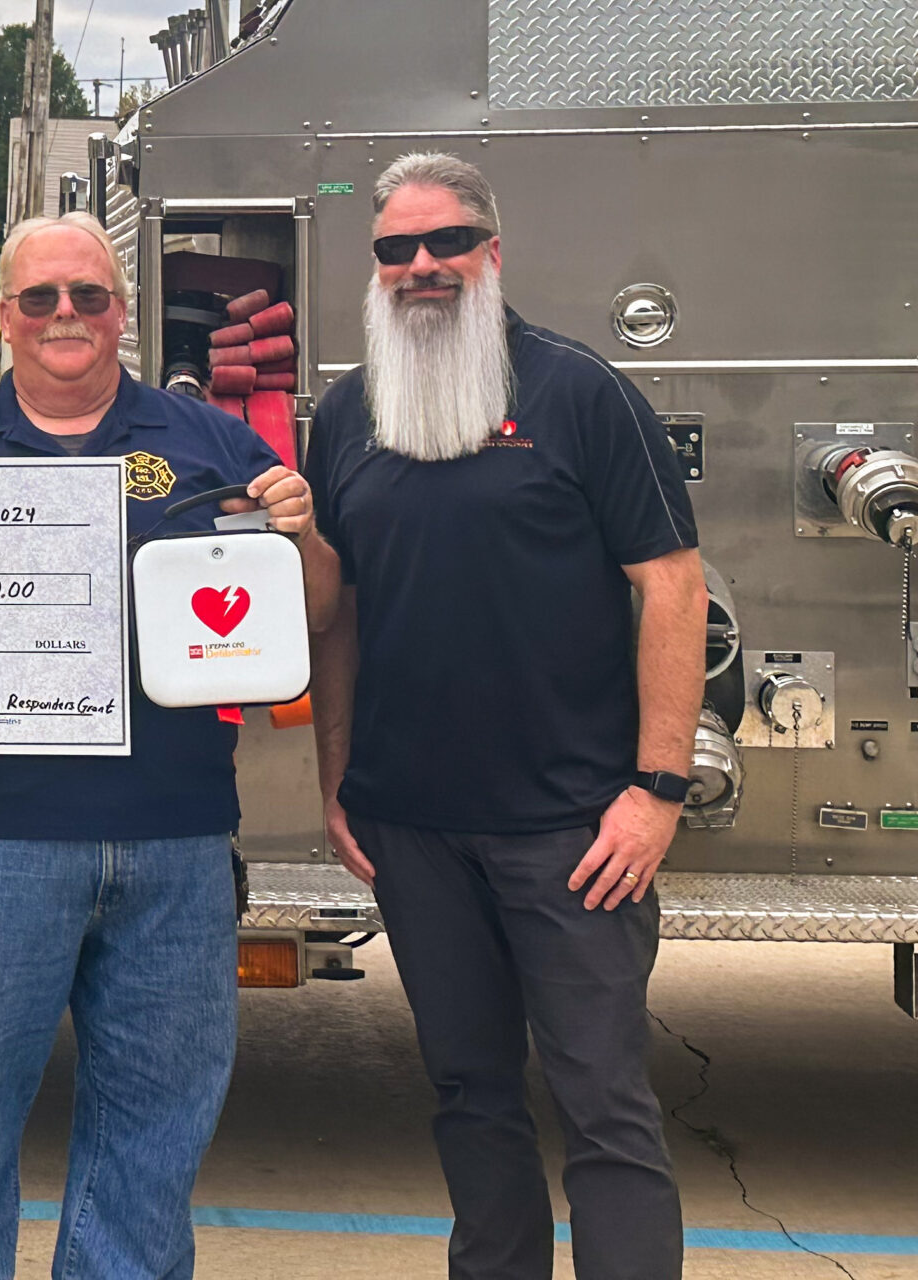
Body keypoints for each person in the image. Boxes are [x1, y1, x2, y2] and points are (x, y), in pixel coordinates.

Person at [0, 211, 332, 1280]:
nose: (65, 315)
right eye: (39, 298)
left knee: (151, 1138)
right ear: (4, 316)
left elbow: (315, 611)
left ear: (122, 312)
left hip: (173, 846)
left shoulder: (215, 447)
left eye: (88, 294)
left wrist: (303, 534)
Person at [304, 152, 703, 1280]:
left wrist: (657, 788)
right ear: (375, 266)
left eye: (444, 243)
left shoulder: (577, 392)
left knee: (604, 1108)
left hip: (572, 835)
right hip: (414, 830)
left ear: (491, 251)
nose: (420, 265)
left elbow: (672, 583)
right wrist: (336, 776)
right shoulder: (348, 412)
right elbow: (338, 614)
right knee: (470, 1098)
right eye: (395, 248)